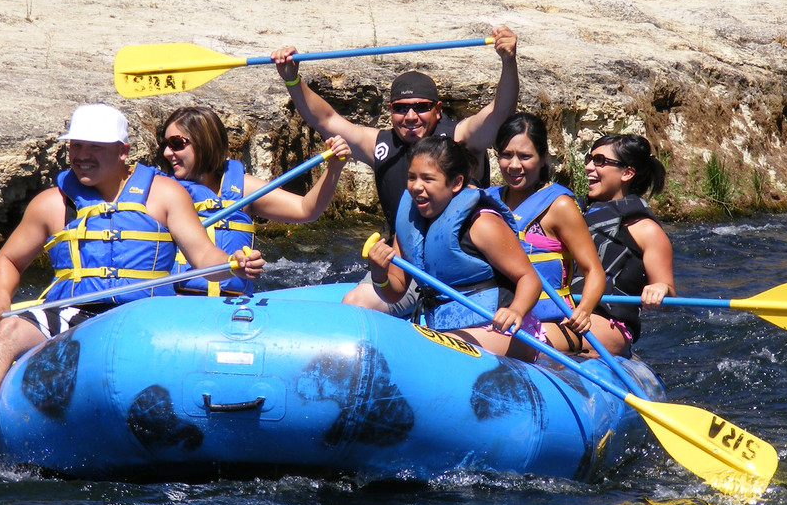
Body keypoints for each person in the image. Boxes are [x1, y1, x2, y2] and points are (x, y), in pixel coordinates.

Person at [0, 103, 264, 462]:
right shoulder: (52, 204)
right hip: (73, 314)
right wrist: (0, 301)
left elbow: (203, 257)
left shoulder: (166, 195)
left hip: (145, 316)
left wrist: (233, 265)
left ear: (122, 151)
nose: (82, 156)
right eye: (76, 146)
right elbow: (9, 260)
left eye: (95, 147)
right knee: (12, 328)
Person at [271, 26, 520, 313]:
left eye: (421, 107)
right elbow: (326, 119)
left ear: (438, 109)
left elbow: (500, 112)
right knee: (355, 303)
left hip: (463, 268)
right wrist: (292, 79)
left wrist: (508, 61)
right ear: (390, 110)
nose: (411, 116)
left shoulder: (461, 139)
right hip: (406, 264)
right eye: (401, 108)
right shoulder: (378, 145)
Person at [364, 137, 545, 362]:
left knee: (425, 351)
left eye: (428, 179)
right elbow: (395, 292)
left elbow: (529, 278)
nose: (416, 186)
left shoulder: (482, 223)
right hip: (448, 331)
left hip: (503, 330)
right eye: (412, 177)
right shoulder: (410, 222)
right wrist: (379, 274)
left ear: (456, 183)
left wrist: (515, 310)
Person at [160, 106, 351, 296]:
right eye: (165, 145)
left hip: (232, 304)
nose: (167, 153)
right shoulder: (163, 192)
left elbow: (306, 210)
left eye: (176, 143)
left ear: (205, 142)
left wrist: (334, 168)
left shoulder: (244, 188)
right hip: (179, 301)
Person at [487, 112, 608, 355]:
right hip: (495, 314)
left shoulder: (559, 206)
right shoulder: (488, 200)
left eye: (525, 156)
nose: (514, 165)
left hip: (550, 322)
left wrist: (583, 310)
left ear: (543, 158)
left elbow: (593, 270)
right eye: (506, 155)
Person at [572, 133, 675, 355]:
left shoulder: (647, 231)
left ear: (627, 173)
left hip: (608, 324)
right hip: (565, 310)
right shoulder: (571, 214)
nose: (588, 167)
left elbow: (669, 300)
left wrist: (662, 289)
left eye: (599, 161)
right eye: (589, 159)